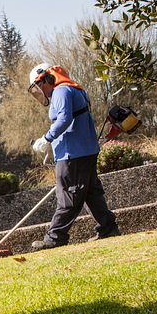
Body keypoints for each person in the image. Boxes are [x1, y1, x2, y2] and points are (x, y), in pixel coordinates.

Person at [27, 63, 119, 250]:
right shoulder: (74, 89)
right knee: (91, 193)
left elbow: (64, 119)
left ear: (46, 79)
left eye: (39, 86)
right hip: (85, 150)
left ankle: (55, 238)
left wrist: (46, 138)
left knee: (69, 195)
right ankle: (108, 228)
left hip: (73, 155)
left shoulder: (61, 91)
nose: (40, 91)